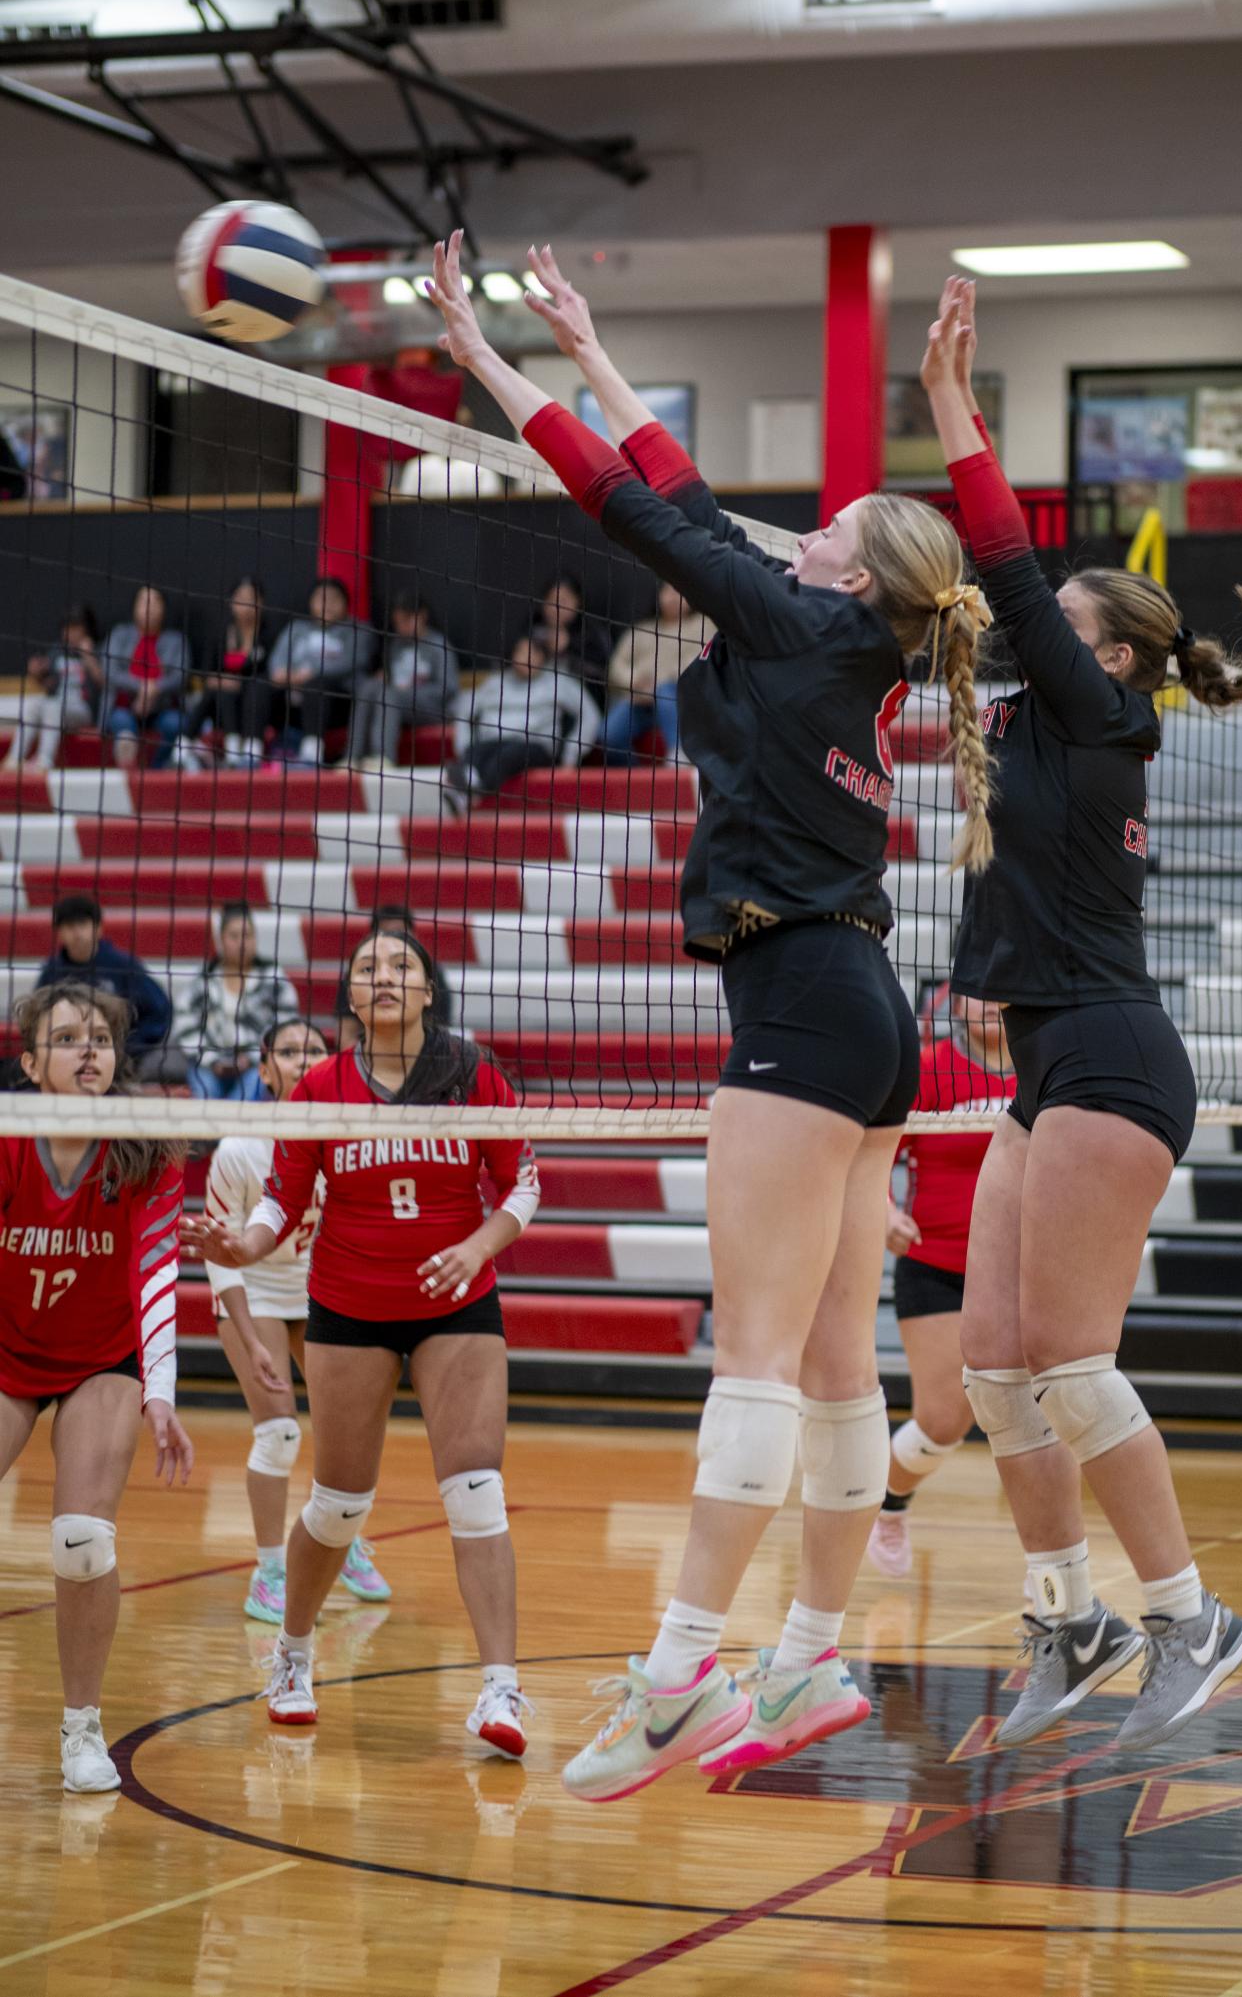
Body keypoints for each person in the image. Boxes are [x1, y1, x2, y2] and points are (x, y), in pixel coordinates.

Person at [430, 232, 994, 1798]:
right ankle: (808, 1653)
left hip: (805, 1005)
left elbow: (630, 507)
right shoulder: (854, 640)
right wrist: (590, 344)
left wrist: (489, 364)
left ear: (848, 572)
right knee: (829, 1364)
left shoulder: (798, 625)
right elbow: (682, 499)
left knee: (750, 1357)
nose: (794, 531)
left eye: (818, 526)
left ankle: (683, 1673)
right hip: (869, 1010)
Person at [922, 277, 1242, 1752]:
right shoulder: (1032, 716)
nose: (1035, 633)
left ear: (1111, 657)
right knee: (990, 1365)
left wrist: (952, 410)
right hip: (1047, 1056)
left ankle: (1190, 1612)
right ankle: (1065, 1615)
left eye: (1063, 626)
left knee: (1068, 1360)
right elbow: (966, 610)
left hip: (1115, 1062)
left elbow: (1005, 570)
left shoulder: (1098, 711)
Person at [182, 929, 541, 1756]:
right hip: (348, 1303)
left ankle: (500, 1689)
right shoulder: (318, 1086)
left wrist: (478, 1247)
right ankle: (293, 1653)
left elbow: (521, 1179)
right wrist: (241, 1247)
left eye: (401, 966)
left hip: (457, 1300)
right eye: (367, 969)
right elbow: (280, 1201)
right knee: (339, 1502)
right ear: (350, 998)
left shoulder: (470, 1072)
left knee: (477, 1489)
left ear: (426, 991)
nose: (384, 977)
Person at [0, 982, 193, 1792]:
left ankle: (82, 1727)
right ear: (31, 1059)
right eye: (69, 1036)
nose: (89, 1050)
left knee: (82, 1539)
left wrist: (160, 1390)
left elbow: (154, 1273)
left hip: (100, 1360)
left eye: (102, 1039)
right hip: (6, 1351)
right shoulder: (8, 1137)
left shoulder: (145, 1143)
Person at [202, 1017, 394, 1621]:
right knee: (280, 1433)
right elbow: (219, 1258)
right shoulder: (237, 1150)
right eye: (289, 1051)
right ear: (264, 1070)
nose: (304, 1058)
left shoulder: (346, 1138)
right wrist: (245, 1332)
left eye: (315, 1049)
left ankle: (342, 1537)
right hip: (249, 1291)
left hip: (317, 1292)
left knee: (347, 1434)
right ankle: (269, 1569)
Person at [867, 992, 1015, 1579]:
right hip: (937, 1265)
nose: (990, 1003)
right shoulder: (927, 1070)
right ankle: (890, 1503)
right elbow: (873, 1158)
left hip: (1022, 1270)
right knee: (944, 1419)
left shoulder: (1046, 1067)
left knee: (1038, 1415)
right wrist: (884, 1213)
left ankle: (1052, 1574)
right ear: (956, 1002)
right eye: (976, 992)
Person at [443, 631, 601, 811]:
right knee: (474, 752)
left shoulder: (558, 682)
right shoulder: (495, 683)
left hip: (534, 745)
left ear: (543, 656)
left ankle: (468, 789)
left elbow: (589, 714)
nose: (526, 658)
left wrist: (570, 756)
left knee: (507, 756)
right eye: (521, 652)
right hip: (493, 742)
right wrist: (464, 746)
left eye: (532, 653)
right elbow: (464, 711)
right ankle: (468, 784)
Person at [170, 902, 300, 1100]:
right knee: (207, 1092)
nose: (241, 942)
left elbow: (285, 1028)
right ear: (221, 939)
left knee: (250, 1090)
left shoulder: (274, 980)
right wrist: (212, 1060)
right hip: (207, 1064)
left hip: (257, 1064)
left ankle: (226, 1132)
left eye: (247, 935)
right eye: (234, 936)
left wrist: (253, 1057)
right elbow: (185, 1023)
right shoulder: (203, 980)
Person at [36, 894, 172, 1064]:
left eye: (83, 924)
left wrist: (131, 1047)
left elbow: (159, 1011)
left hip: (121, 1060)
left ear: (99, 928)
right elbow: (38, 1018)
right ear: (59, 933)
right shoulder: (52, 971)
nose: (77, 933)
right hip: (66, 1058)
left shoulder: (123, 965)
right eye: (70, 926)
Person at [264, 577, 377, 764]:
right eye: (321, 599)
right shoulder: (297, 628)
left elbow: (352, 661)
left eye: (334, 599)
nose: (328, 605)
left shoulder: (359, 630)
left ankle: (311, 753)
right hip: (293, 702)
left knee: (316, 685)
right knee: (259, 685)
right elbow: (276, 665)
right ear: (311, 602)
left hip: (338, 703)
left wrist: (312, 672)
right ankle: (248, 751)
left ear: (345, 603)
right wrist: (290, 675)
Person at [600, 581, 711, 766]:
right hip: (640, 700)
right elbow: (615, 667)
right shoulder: (642, 630)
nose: (673, 598)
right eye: (668, 592)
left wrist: (656, 685)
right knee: (608, 736)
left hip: (683, 702)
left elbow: (699, 663)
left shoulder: (703, 625)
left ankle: (679, 757)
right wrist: (635, 682)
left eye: (679, 592)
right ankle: (635, 783)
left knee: (665, 691)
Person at [348, 591, 460, 770]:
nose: (402, 627)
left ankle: (383, 757)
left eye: (406, 620)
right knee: (369, 686)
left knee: (390, 695)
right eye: (398, 622)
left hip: (435, 709)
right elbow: (391, 682)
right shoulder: (395, 645)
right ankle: (352, 757)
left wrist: (407, 691)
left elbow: (448, 689)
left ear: (422, 616)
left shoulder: (439, 645)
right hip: (400, 705)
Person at [99, 586, 190, 769]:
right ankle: (129, 766)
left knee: (176, 723)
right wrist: (141, 687)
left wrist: (154, 689)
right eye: (144, 602)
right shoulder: (120, 634)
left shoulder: (175, 640)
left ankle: (157, 769)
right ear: (134, 607)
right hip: (124, 705)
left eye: (155, 602)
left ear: (164, 608)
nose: (150, 607)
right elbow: (110, 671)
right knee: (121, 723)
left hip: (162, 706)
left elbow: (181, 675)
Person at [2, 604, 103, 770]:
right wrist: (37, 673)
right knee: (35, 704)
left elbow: (103, 682)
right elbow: (49, 683)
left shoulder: (98, 649)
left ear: (85, 629)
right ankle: (14, 759)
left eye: (74, 628)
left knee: (53, 707)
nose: (69, 633)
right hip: (56, 708)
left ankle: (44, 761)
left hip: (83, 710)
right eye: (66, 629)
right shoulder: (57, 652)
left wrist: (88, 657)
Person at [183, 578, 273, 761]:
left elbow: (268, 674)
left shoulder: (268, 635)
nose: (246, 604)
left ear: (261, 603)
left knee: (253, 690)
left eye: (251, 598)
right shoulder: (220, 634)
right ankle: (183, 746)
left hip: (254, 706)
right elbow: (206, 674)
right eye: (241, 598)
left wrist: (239, 683)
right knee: (220, 694)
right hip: (221, 705)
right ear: (232, 602)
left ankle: (251, 750)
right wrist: (225, 682)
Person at [333, 904, 456, 1035]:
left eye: (400, 933)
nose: (384, 979)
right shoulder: (356, 974)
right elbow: (346, 1033)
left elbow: (440, 1031)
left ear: (428, 991)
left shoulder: (432, 972)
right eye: (386, 933)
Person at [529, 570, 613, 699]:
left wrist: (570, 646)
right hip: (538, 696)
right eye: (551, 600)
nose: (556, 607)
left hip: (582, 699)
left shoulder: (591, 632)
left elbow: (605, 667)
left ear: (578, 603)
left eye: (563, 601)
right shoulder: (535, 627)